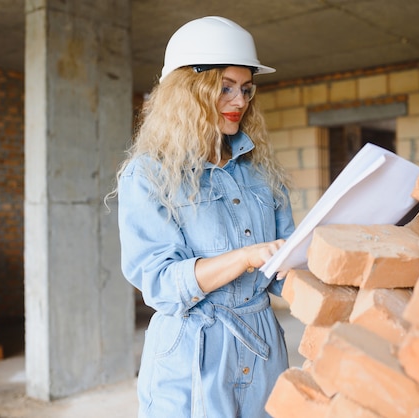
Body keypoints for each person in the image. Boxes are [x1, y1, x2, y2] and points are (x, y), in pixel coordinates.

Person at [110, 16, 295, 417]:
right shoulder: (149, 175)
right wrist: (244, 257)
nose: (240, 101)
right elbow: (159, 283)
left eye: (246, 89)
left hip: (262, 344)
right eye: (225, 88)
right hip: (193, 348)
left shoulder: (260, 172)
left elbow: (285, 270)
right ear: (189, 92)